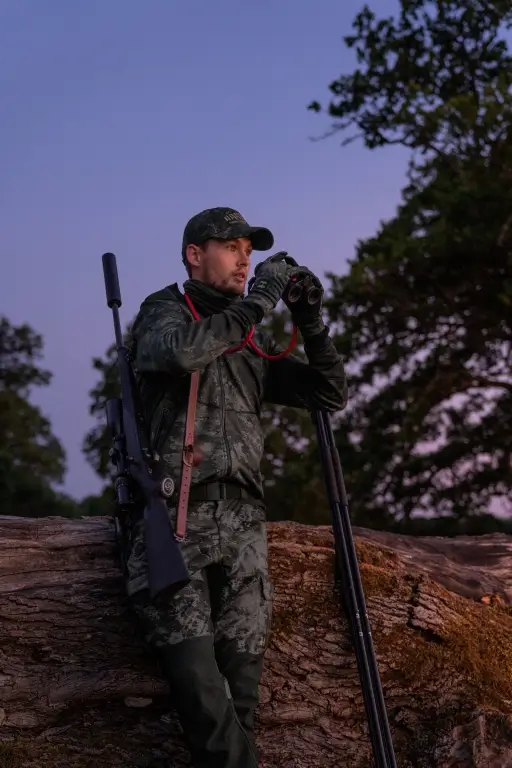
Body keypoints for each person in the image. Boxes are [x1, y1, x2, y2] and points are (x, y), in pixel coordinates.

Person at [124, 207, 348, 768]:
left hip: (245, 532)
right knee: (205, 700)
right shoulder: (165, 311)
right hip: (175, 526)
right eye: (231, 246)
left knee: (239, 706)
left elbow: (328, 393)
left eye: (250, 248)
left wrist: (311, 319)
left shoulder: (248, 341)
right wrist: (260, 302)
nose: (246, 257)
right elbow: (178, 353)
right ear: (194, 255)